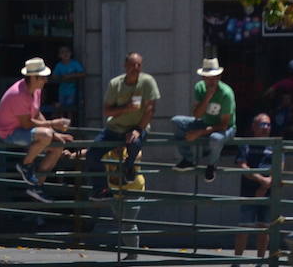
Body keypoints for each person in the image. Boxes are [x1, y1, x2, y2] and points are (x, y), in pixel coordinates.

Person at [0, 57, 73, 205]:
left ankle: (36, 186)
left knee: (58, 146)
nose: (46, 80)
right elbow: (27, 124)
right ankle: (25, 165)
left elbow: (36, 114)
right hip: (9, 132)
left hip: (23, 129)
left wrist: (56, 134)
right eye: (43, 77)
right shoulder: (18, 94)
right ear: (33, 77)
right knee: (46, 136)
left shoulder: (35, 90)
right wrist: (54, 124)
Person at [84, 52, 158, 198]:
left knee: (135, 143)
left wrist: (137, 129)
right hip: (114, 128)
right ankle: (101, 190)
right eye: (132, 65)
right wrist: (126, 108)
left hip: (137, 127)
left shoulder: (147, 81)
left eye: (138, 65)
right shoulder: (115, 84)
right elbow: (106, 111)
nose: (135, 68)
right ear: (125, 66)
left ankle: (128, 168)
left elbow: (150, 109)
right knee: (92, 154)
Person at [226, 113, 274, 267]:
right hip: (248, 193)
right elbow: (242, 166)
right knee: (243, 229)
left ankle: (260, 264)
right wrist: (262, 180)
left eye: (268, 125)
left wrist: (266, 185)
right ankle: (236, 265)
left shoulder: (274, 145)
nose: (266, 128)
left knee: (264, 229)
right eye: (262, 125)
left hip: (268, 195)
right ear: (254, 127)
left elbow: (279, 168)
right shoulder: (245, 144)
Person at [171, 57, 234, 181]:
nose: (212, 80)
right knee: (176, 121)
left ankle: (212, 165)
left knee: (215, 138)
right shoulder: (199, 88)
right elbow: (197, 115)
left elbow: (224, 125)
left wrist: (200, 133)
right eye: (209, 77)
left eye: (215, 77)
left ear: (219, 77)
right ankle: (188, 159)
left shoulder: (226, 93)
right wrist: (208, 96)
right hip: (205, 122)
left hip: (226, 128)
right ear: (203, 78)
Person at [51, 44, 84, 125]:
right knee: (61, 108)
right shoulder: (59, 65)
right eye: (62, 52)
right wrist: (62, 78)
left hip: (72, 90)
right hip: (62, 90)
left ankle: (69, 125)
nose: (65, 54)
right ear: (59, 55)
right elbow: (54, 76)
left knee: (70, 109)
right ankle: (62, 125)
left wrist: (71, 76)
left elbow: (82, 73)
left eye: (67, 52)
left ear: (71, 53)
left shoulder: (74, 63)